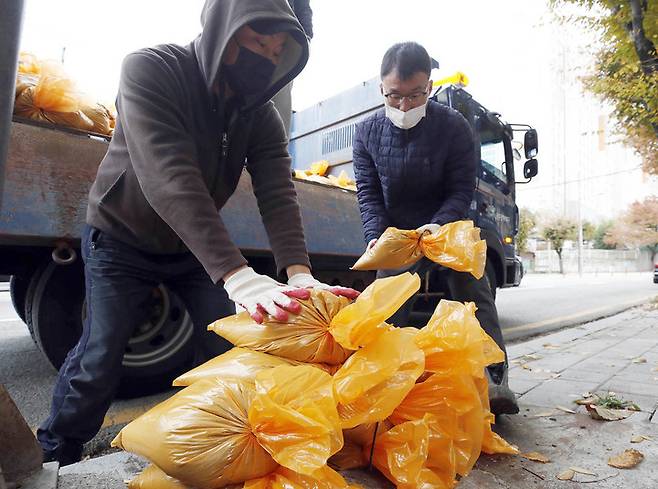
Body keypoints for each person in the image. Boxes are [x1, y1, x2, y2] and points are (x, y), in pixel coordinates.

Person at [37, 0, 358, 466]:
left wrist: (299, 273)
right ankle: (56, 451)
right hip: (121, 235)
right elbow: (171, 178)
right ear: (225, 29)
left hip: (188, 246)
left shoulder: (259, 115)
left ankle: (216, 444)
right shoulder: (151, 70)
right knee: (101, 356)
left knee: (227, 345)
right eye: (257, 41)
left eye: (277, 51)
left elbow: (277, 192)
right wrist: (239, 276)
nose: (266, 57)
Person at [352, 41, 518, 415]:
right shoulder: (366, 132)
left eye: (415, 95)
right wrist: (376, 237)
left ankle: (495, 381)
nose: (405, 106)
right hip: (399, 234)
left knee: (474, 292)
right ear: (382, 88)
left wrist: (439, 225)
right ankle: (377, 382)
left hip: (448, 227)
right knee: (385, 307)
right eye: (395, 96)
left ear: (429, 86)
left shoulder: (454, 126)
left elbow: (462, 188)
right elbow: (368, 194)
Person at [272, 0, 314, 136]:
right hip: (243, 26)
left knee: (278, 110)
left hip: (286, 36)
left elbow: (302, 6)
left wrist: (306, 34)